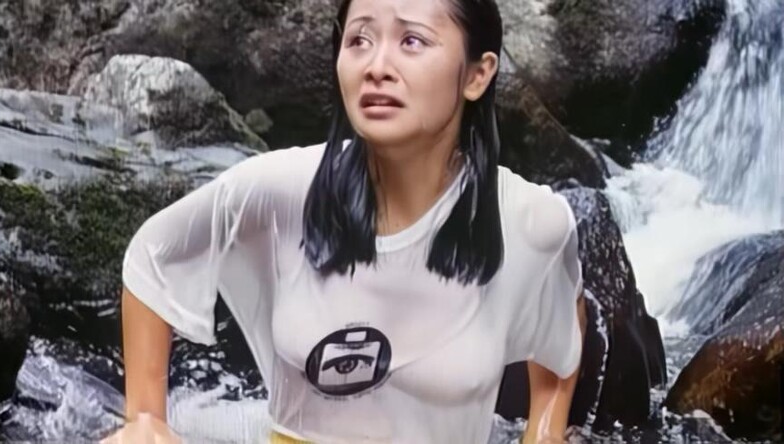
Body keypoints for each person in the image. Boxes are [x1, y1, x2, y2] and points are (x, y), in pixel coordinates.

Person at [104, 0, 587, 442]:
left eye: (411, 41)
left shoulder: (528, 222)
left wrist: (545, 429)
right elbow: (153, 254)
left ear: (477, 75)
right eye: (359, 40)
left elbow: (564, 319)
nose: (377, 66)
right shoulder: (284, 189)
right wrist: (145, 418)